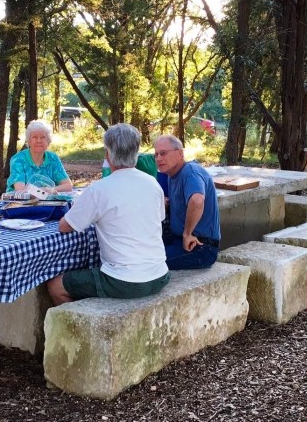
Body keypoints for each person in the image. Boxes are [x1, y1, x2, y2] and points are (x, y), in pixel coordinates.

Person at [47, 123, 170, 305]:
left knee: (55, 286)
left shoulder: (99, 189)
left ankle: (81, 330)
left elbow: (65, 226)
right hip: (160, 274)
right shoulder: (153, 184)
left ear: (107, 155)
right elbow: (158, 219)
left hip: (124, 281)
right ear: (136, 154)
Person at [153, 134, 220, 270]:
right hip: (178, 239)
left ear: (180, 153)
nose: (159, 158)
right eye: (156, 154)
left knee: (149, 262)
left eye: (163, 153)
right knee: (138, 252)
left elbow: (197, 200)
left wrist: (187, 234)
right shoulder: (172, 175)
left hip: (200, 246)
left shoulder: (191, 173)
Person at [6, 120, 73, 193]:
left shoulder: (53, 158)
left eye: (43, 137)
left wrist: (51, 190)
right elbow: (21, 190)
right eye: (34, 137)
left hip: (48, 202)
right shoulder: (18, 159)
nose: (39, 141)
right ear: (28, 141)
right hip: (20, 203)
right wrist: (41, 191)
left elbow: (68, 186)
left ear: (48, 141)